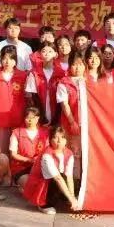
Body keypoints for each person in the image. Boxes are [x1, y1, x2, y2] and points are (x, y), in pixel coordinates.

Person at [22, 125, 79, 215]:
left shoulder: (69, 153)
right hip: (43, 184)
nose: (59, 141)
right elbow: (58, 178)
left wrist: (72, 197)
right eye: (55, 137)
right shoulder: (47, 155)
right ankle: (43, 204)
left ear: (66, 140)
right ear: (50, 140)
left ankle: (66, 198)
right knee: (57, 179)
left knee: (77, 183)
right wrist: (72, 199)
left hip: (58, 181)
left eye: (62, 137)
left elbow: (69, 177)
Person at [0, 45, 29, 155]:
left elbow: (27, 96)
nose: (7, 62)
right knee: (2, 151)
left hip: (19, 117)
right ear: (1, 59)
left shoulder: (23, 76)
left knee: (18, 150)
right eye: (4, 58)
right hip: (1, 118)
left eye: (11, 58)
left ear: (15, 61)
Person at [56, 51, 85, 179]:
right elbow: (64, 104)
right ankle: (74, 181)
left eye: (80, 64)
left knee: (85, 153)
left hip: (87, 123)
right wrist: (72, 122)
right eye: (74, 64)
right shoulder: (64, 82)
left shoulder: (89, 81)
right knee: (73, 153)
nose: (77, 68)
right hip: (71, 123)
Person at [25, 41, 65, 125]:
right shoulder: (34, 73)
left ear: (55, 54)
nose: (46, 54)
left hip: (57, 111)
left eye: (50, 51)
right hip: (40, 110)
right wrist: (41, 116)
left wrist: (56, 117)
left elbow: (62, 97)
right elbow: (33, 97)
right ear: (40, 54)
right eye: (44, 51)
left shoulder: (61, 73)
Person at [9, 107, 48, 190]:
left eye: (32, 118)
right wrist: (29, 160)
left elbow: (47, 151)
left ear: (37, 118)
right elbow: (13, 154)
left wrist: (38, 160)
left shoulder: (44, 133)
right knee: (31, 185)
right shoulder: (17, 132)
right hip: (20, 168)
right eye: (27, 118)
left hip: (39, 167)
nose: (29, 120)